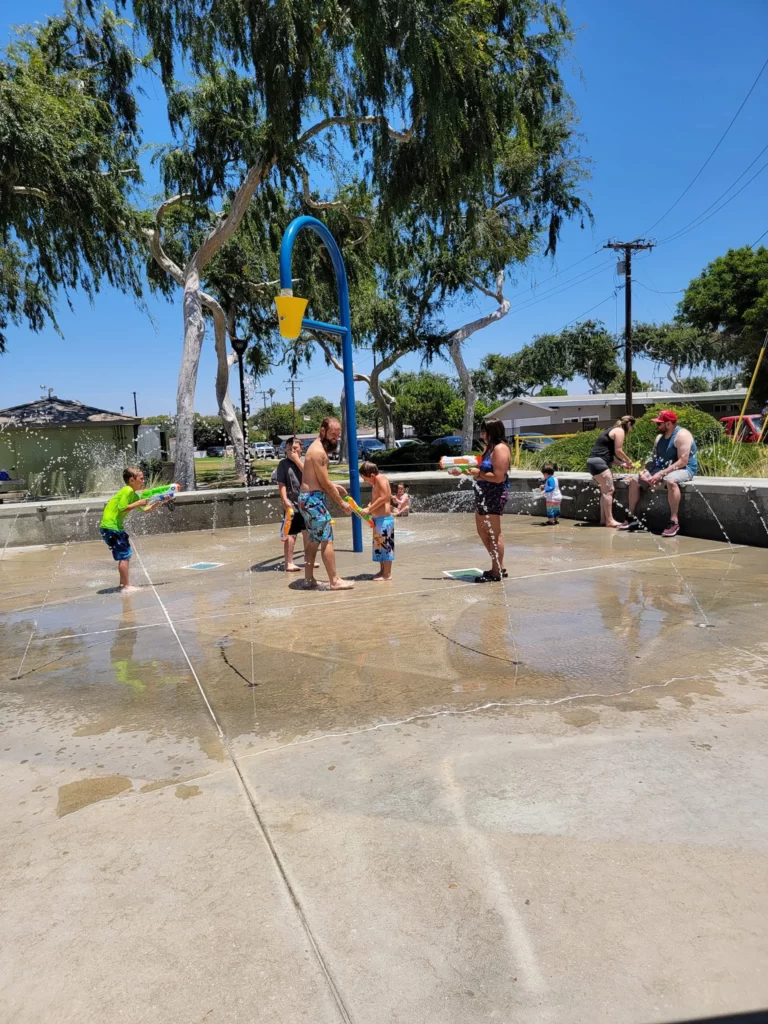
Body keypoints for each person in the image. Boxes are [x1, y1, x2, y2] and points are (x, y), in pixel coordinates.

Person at [448, 418, 511, 582]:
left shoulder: (500, 448)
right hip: (483, 492)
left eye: (484, 431)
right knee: (483, 531)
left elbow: (498, 477)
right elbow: (478, 469)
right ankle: (498, 566)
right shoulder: (489, 448)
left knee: (494, 533)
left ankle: (496, 571)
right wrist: (462, 471)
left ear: (493, 432)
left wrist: (477, 474)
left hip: (494, 493)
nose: (482, 435)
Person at [618, 410, 698, 537]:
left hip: (685, 469)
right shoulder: (659, 438)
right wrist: (646, 471)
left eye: (659, 424)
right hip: (663, 469)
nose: (657, 426)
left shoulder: (682, 435)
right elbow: (654, 460)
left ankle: (674, 521)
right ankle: (631, 517)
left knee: (671, 481)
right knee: (634, 480)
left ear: (668, 424)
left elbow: (683, 461)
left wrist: (661, 474)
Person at [296, 417, 354, 590]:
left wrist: (332, 486)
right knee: (326, 538)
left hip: (307, 498)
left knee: (313, 540)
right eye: (332, 433)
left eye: (338, 434)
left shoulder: (316, 448)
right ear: (322, 431)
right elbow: (324, 483)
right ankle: (334, 581)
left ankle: (308, 579)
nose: (335, 437)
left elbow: (319, 479)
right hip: (313, 500)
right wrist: (341, 503)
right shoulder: (319, 452)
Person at [99, 467, 173, 593]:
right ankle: (126, 586)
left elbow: (147, 510)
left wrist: (161, 500)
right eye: (141, 478)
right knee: (124, 556)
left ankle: (123, 584)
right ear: (132, 480)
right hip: (111, 527)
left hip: (112, 528)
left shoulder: (132, 494)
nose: (143, 481)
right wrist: (139, 503)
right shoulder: (127, 490)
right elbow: (122, 508)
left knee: (125, 555)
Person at [586, 415, 636, 528]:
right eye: (632, 427)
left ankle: (603, 520)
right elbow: (618, 450)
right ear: (629, 424)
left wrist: (622, 464)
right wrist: (628, 460)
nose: (631, 430)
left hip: (593, 462)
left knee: (605, 492)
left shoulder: (610, 430)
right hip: (599, 463)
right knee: (609, 490)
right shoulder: (620, 431)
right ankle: (610, 520)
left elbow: (609, 456)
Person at [276, 437, 311, 572]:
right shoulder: (283, 464)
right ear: (285, 449)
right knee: (291, 533)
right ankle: (289, 562)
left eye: (295, 448)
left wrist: (297, 460)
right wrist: (285, 500)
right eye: (290, 449)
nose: (293, 451)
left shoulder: (305, 462)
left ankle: (309, 560)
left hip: (307, 503)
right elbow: (282, 484)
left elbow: (308, 475)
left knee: (308, 533)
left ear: (301, 449)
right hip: (292, 504)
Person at [360, 462, 395, 581]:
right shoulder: (376, 482)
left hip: (384, 520)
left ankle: (387, 574)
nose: (365, 481)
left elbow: (385, 497)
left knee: (386, 546)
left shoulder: (380, 479)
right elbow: (377, 499)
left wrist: (369, 509)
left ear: (372, 475)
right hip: (378, 519)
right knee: (380, 548)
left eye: (365, 479)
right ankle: (382, 571)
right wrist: (370, 506)